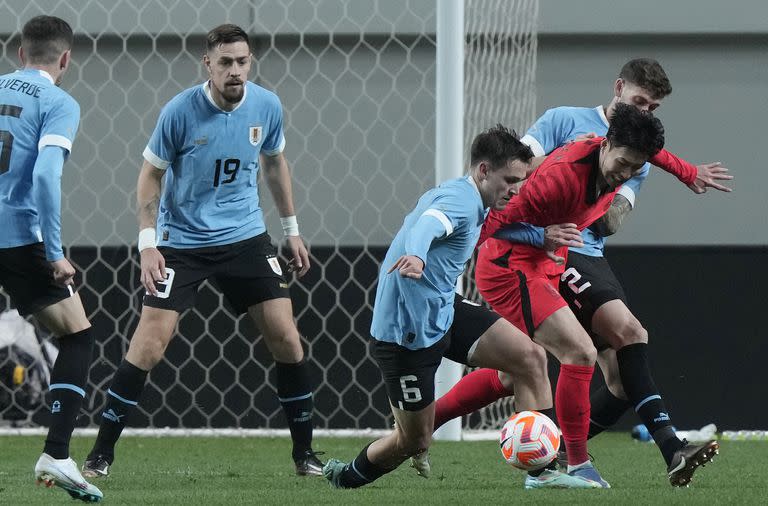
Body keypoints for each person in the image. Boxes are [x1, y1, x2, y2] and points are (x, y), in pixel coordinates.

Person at [433, 59, 726, 487]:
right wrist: (447, 258)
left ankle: (428, 424)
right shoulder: (558, 163)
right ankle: (574, 463)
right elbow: (493, 217)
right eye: (622, 164)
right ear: (618, 90)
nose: (626, 175)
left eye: (635, 168)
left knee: (521, 369)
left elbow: (642, 157)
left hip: (549, 261)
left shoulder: (628, 154)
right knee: (584, 351)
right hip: (512, 264)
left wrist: (687, 173)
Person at [81, 24, 323, 479]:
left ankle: (305, 456)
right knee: (150, 344)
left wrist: (291, 229)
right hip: (183, 242)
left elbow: (274, 163)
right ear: (207, 64)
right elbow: (149, 175)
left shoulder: (267, 106)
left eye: (243, 61)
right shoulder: (180, 112)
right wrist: (148, 245)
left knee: (287, 338)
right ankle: (100, 455)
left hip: (246, 236)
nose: (236, 71)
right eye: (226, 62)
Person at [323, 125, 600, 490]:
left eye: (521, 179)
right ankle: (346, 477)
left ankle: (544, 471)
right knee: (413, 442)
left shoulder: (478, 200)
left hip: (443, 308)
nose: (517, 189)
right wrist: (417, 257)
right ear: (483, 170)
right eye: (511, 179)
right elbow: (428, 224)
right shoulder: (458, 200)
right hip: (406, 334)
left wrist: (539, 236)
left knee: (530, 357)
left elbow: (491, 228)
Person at [0, 15, 103, 502]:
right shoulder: (58, 101)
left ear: (19, 53)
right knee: (77, 335)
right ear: (65, 59)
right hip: (18, 238)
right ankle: (56, 454)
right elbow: (44, 178)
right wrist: (57, 253)